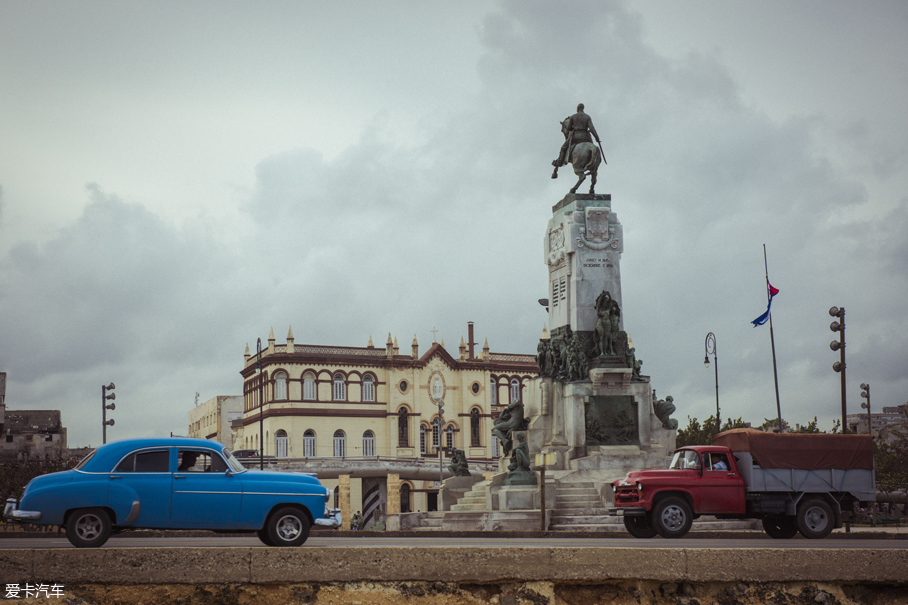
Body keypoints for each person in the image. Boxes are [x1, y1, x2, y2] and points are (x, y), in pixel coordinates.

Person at [552, 103, 601, 177]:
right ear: (583, 109)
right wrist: (597, 138)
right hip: (586, 138)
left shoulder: (573, 117)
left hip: (576, 137)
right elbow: (592, 128)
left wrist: (573, 127)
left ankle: (559, 162)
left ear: (577, 109)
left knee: (563, 148)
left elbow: (568, 128)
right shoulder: (587, 117)